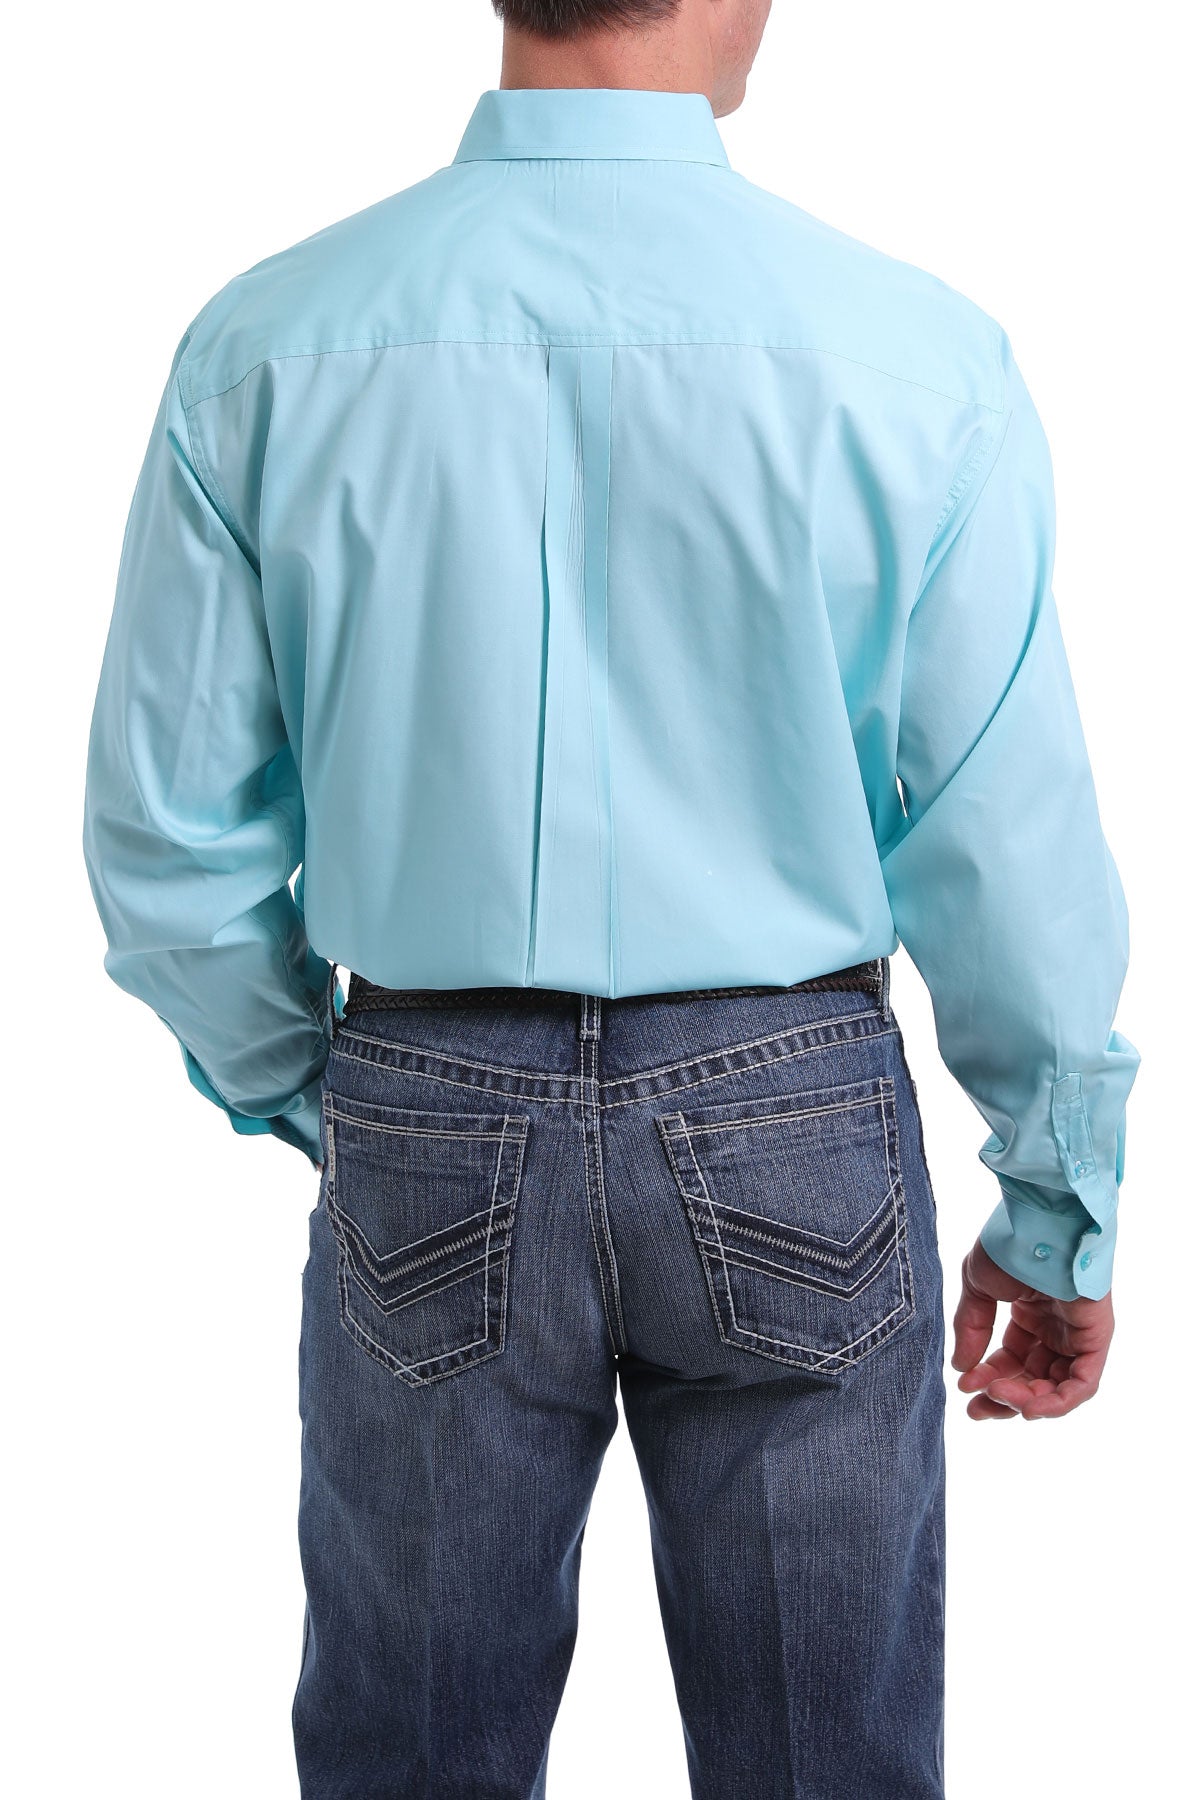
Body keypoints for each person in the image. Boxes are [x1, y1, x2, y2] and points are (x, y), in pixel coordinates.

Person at [81, 1, 1140, 1794]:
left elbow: (169, 841)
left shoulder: (270, 345)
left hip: (428, 1084)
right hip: (797, 1105)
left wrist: (326, 1091)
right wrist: (1059, 1198)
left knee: (412, 1754)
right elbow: (999, 833)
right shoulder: (910, 355)